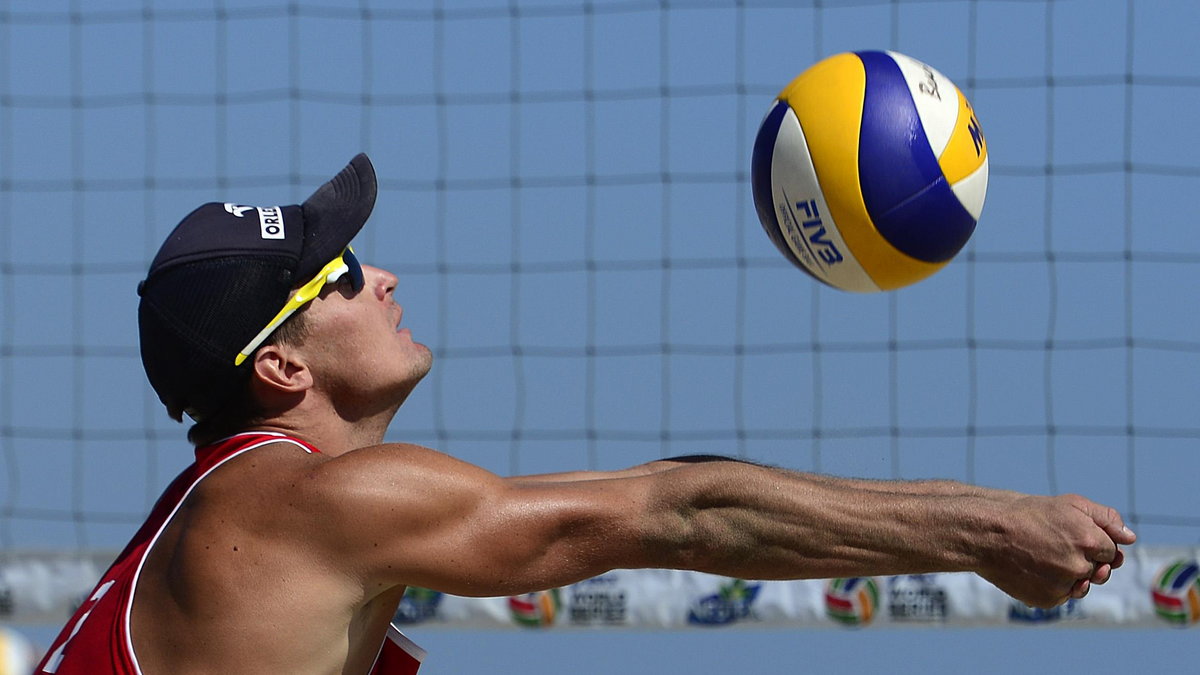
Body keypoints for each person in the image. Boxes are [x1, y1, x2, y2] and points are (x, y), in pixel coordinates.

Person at [35, 154, 1135, 674]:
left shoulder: (225, 519)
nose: (384, 278)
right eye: (342, 272)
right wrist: (989, 530)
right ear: (280, 368)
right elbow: (685, 514)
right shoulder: (307, 506)